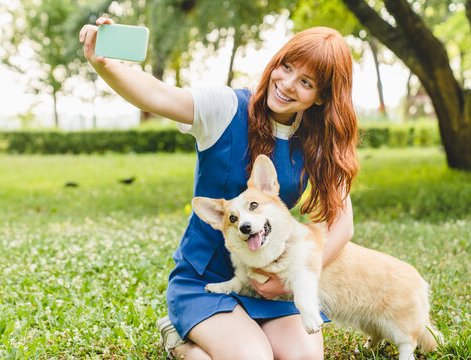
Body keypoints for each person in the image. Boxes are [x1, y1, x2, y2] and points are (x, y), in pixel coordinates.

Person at [80, 17, 358, 360]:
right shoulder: (226, 108)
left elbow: (344, 223)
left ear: (321, 97)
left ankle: (232, 335)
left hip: (270, 284)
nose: (286, 83)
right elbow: (156, 95)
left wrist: (291, 280)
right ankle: (182, 342)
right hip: (204, 283)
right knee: (253, 358)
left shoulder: (317, 143)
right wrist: (103, 63)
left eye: (305, 81)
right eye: (285, 66)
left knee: (305, 357)